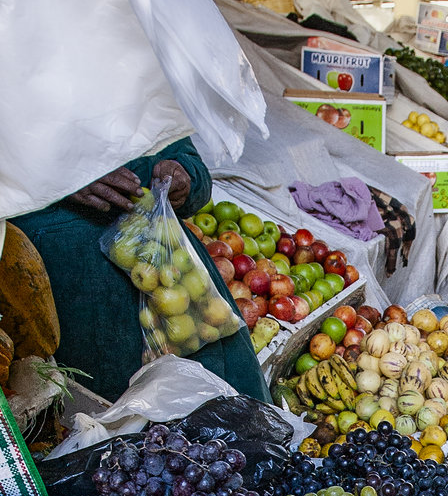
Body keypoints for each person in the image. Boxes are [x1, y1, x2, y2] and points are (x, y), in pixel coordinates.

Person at [16, 139, 269, 404]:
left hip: (181, 280)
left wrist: (185, 177)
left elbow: (190, 161)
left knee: (231, 409)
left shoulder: (142, 98)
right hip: (81, 288)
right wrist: (61, 176)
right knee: (123, 425)